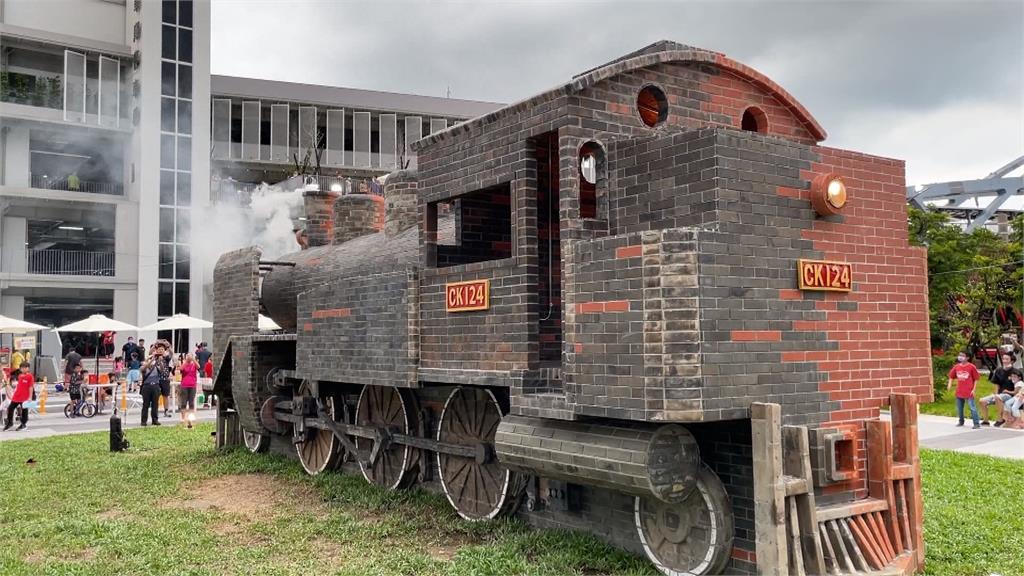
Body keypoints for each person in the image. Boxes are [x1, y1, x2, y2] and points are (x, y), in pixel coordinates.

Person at [947, 352, 982, 429]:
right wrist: (949, 384)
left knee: (972, 407)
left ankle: (976, 423)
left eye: (963, 356)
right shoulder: (956, 367)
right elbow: (951, 376)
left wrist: (974, 389)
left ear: (967, 358)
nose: (960, 357)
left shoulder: (971, 367)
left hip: (969, 391)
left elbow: (976, 379)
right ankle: (961, 421)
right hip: (959, 391)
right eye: (959, 355)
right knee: (959, 407)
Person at [982, 353, 1018, 426]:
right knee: (982, 401)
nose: (1004, 361)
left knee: (998, 397)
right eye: (1003, 359)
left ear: (1012, 361)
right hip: (1000, 394)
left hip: (1010, 395)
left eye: (1007, 359)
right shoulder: (998, 370)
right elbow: (996, 383)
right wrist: (996, 394)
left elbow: (1019, 386)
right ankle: (985, 421)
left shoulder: (1016, 372)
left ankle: (1000, 419)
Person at [140, 342, 170, 426]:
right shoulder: (144, 367)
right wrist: (151, 359)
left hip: (155, 386)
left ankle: (155, 420)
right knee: (145, 404)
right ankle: (143, 421)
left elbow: (162, 369)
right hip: (146, 386)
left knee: (155, 404)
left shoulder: (156, 366)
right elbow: (144, 368)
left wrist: (159, 360)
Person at [4, 361, 34, 431]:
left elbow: (31, 387)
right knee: (10, 408)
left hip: (24, 397)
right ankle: (10, 423)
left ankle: (23, 424)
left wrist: (30, 397)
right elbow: (19, 386)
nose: (22, 369)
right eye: (21, 368)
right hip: (17, 396)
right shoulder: (20, 376)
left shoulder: (30, 376)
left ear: (28, 368)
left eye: (24, 368)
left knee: (24, 411)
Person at [178, 354, 199, 428]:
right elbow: (181, 369)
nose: (189, 357)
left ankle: (191, 418)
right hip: (184, 385)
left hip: (192, 385)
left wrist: (193, 359)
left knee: (191, 402)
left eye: (190, 356)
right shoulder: (184, 364)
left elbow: (198, 367)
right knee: (183, 402)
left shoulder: (194, 364)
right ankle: (183, 418)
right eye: (188, 356)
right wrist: (186, 361)